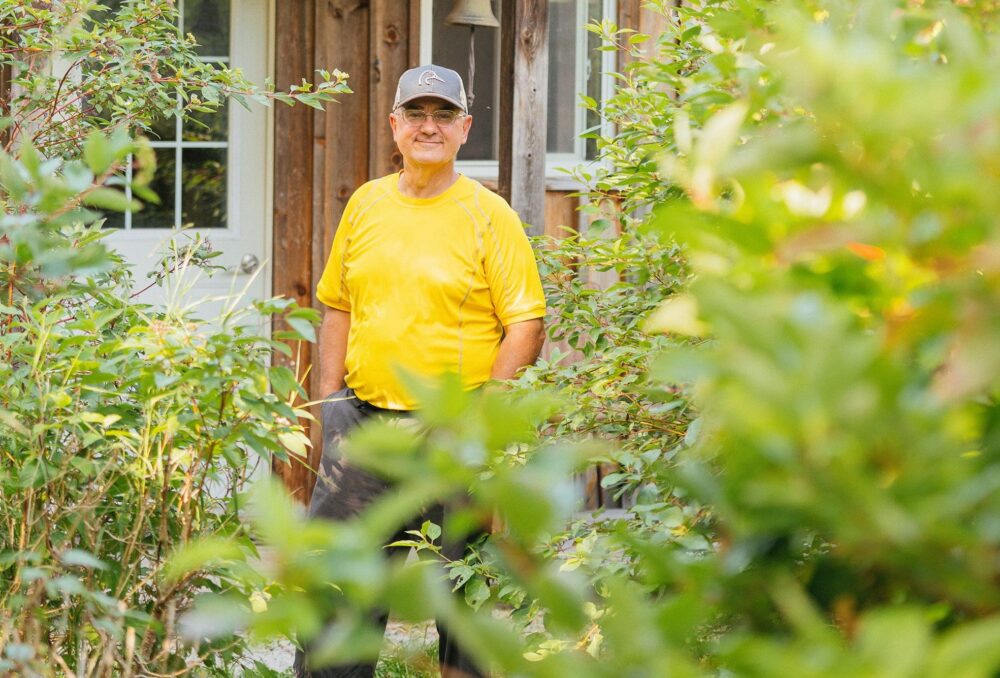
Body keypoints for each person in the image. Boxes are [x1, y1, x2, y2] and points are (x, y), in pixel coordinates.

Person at [294, 64, 547, 678]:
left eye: (442, 115)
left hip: (453, 432)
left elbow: (527, 326)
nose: (427, 127)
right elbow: (337, 304)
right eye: (415, 114)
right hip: (365, 424)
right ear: (394, 125)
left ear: (464, 128)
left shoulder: (490, 216)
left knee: (468, 605)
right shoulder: (365, 204)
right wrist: (330, 401)